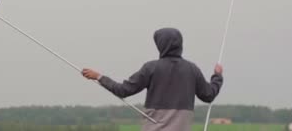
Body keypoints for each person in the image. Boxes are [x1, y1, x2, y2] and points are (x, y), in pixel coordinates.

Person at [82, 27, 223, 131]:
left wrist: (99, 77)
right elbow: (209, 95)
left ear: (160, 45)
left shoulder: (151, 68)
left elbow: (123, 90)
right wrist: (217, 76)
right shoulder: (192, 69)